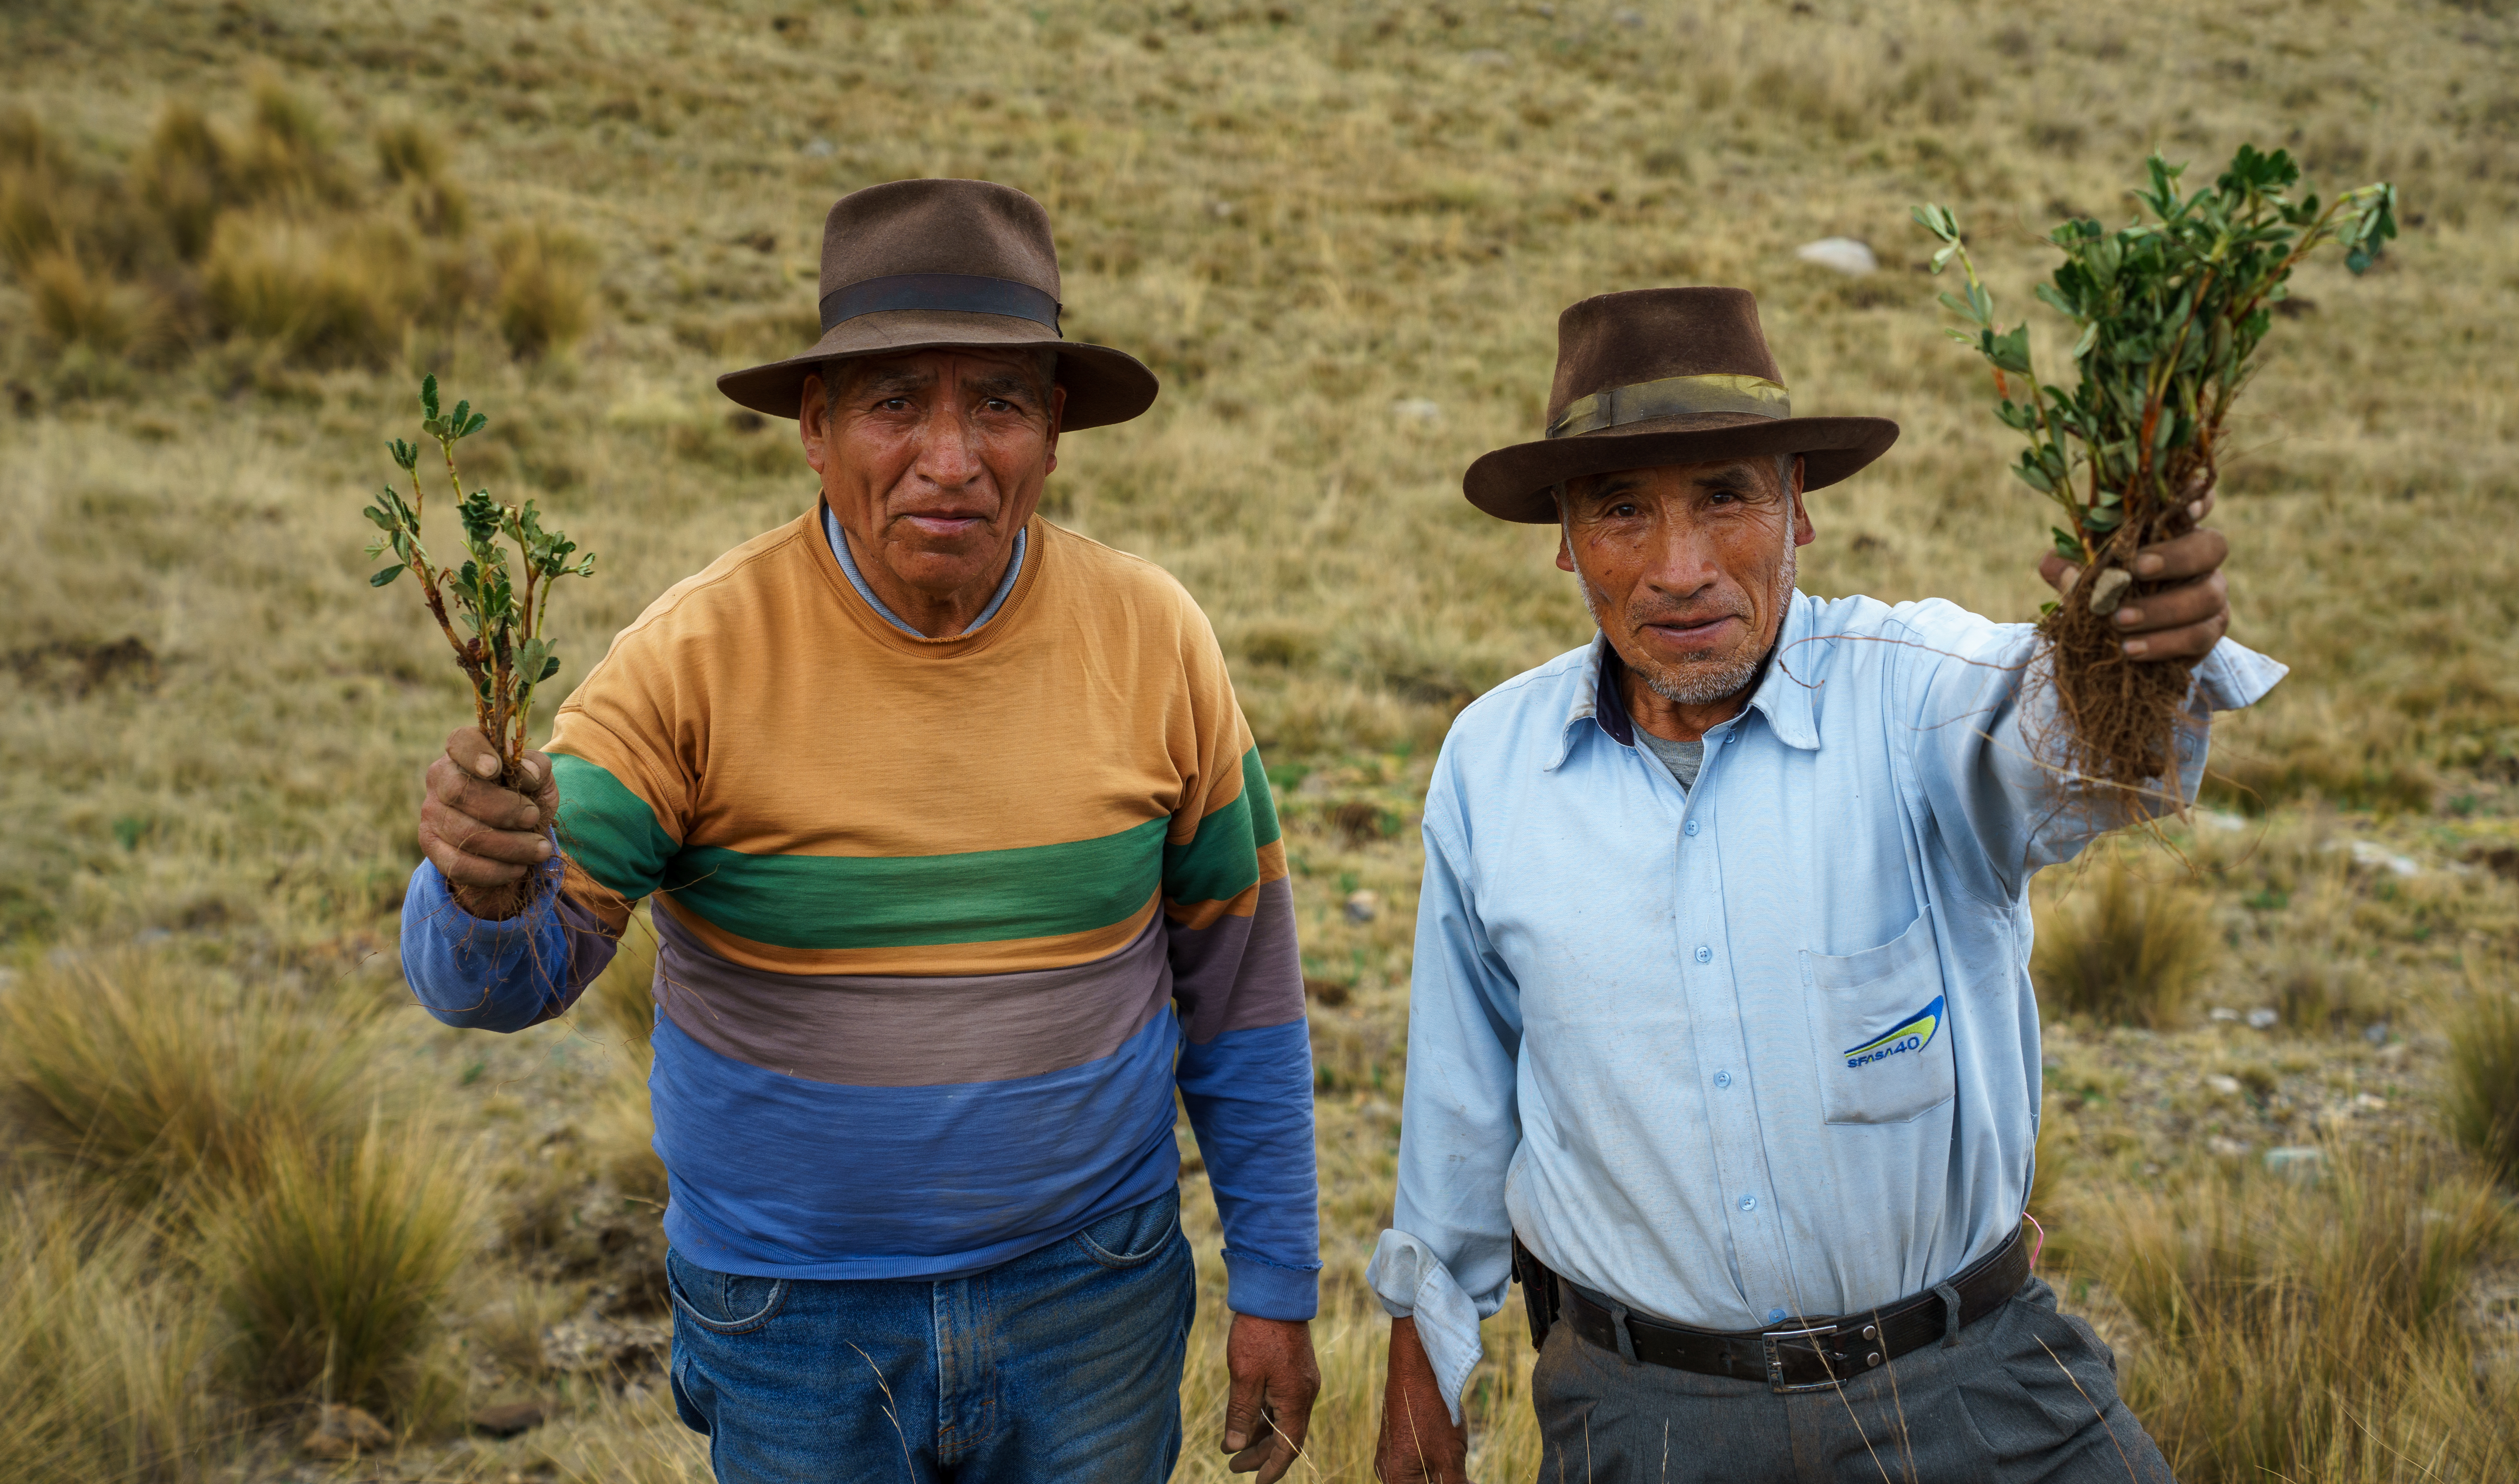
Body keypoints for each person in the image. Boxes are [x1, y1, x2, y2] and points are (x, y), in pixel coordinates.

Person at [401, 179, 1322, 1484]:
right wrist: (481, 891)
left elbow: (1244, 990)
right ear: (817, 432)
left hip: (1093, 1305)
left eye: (998, 401)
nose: (950, 457)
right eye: (896, 402)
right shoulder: (691, 658)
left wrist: (1278, 1280)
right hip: (792, 1323)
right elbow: (509, 980)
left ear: (1054, 432)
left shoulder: (1155, 638)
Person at [1368, 286, 2276, 1483]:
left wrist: (2141, 638)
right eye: (1623, 510)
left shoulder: (1916, 694)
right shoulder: (1494, 768)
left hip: (1979, 1396)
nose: (1679, 570)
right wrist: (1424, 1359)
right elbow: (1459, 1104)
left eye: (1728, 498)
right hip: (1653, 1425)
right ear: (1565, 536)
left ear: (1798, 506)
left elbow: (2069, 752)